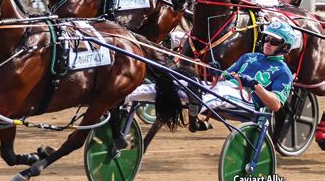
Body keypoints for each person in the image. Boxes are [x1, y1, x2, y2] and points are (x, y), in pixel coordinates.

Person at [126, 19, 297, 132]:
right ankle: (125, 96)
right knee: (182, 84)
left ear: (284, 47)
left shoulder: (283, 72)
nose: (268, 43)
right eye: (267, 39)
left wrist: (255, 85)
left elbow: (275, 104)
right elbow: (224, 76)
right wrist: (216, 71)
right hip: (223, 88)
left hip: (247, 99)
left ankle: (196, 106)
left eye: (274, 42)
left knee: (219, 94)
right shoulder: (250, 56)